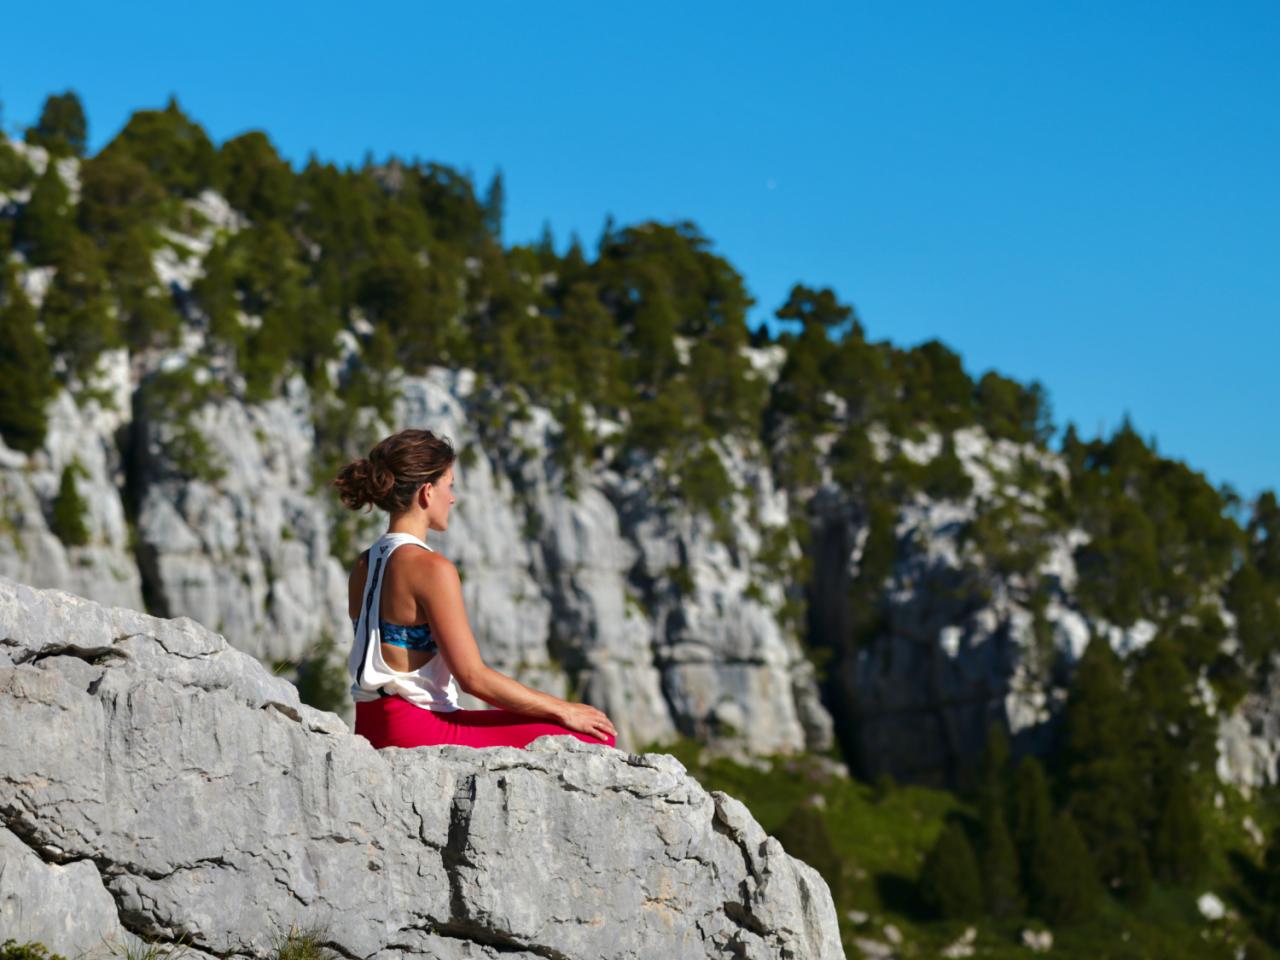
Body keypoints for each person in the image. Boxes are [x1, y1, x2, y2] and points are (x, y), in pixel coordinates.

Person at [332, 427, 619, 751]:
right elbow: (472, 677)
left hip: (370, 724)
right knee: (596, 737)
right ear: (427, 492)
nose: (452, 497)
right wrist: (563, 708)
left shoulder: (363, 564)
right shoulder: (431, 568)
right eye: (449, 486)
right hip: (418, 730)